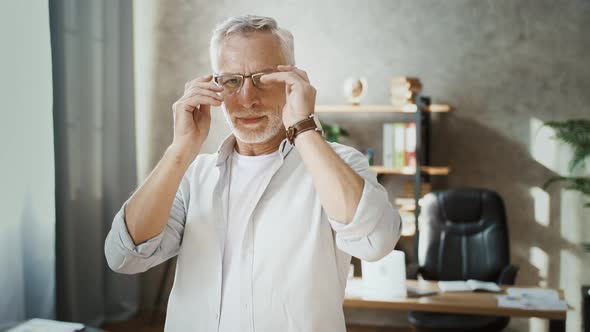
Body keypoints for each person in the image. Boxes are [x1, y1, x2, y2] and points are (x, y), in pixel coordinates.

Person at [104, 14, 401, 332]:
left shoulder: (340, 163)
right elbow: (124, 256)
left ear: (291, 83)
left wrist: (303, 127)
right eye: (232, 80)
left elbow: (376, 242)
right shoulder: (192, 174)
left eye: (262, 78)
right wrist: (180, 150)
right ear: (215, 87)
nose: (247, 98)